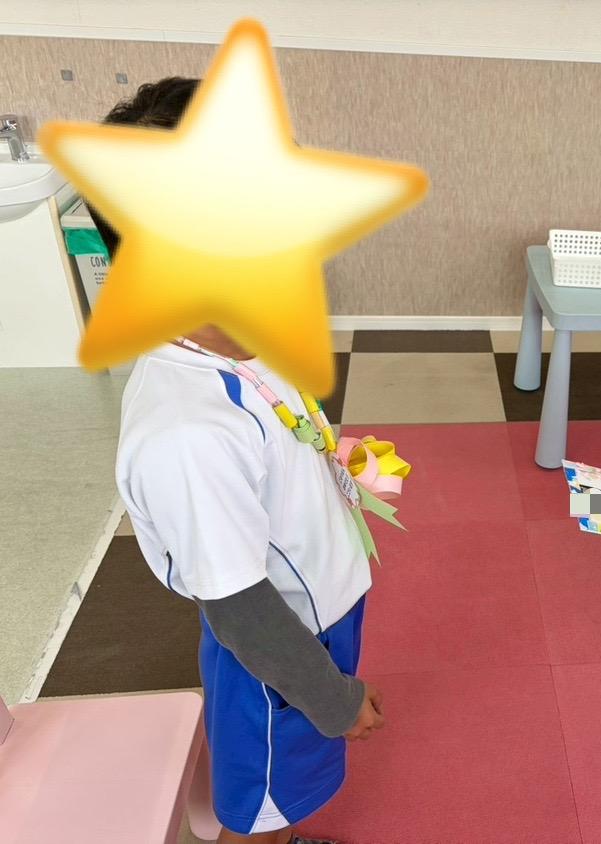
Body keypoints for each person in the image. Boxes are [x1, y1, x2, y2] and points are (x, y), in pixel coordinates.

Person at [96, 78, 384, 844]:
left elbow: (281, 433)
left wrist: (334, 464)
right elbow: (242, 613)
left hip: (316, 614)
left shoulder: (250, 342)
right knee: (260, 805)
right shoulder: (186, 434)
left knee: (289, 786)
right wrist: (334, 700)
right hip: (279, 651)